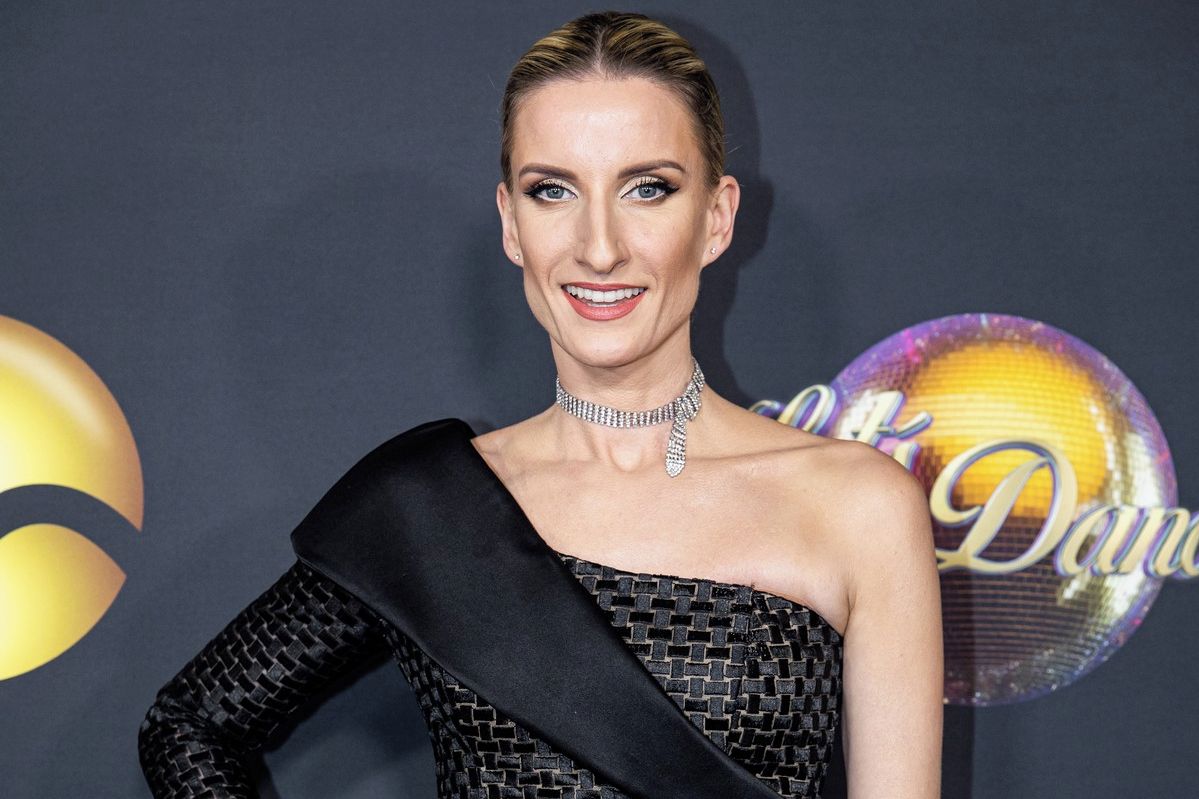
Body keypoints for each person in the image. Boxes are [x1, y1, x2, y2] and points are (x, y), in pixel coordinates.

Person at [137, 10, 943, 798]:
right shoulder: (428, 510)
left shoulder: (857, 506)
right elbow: (189, 725)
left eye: (647, 189)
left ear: (716, 218)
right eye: (552, 190)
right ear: (511, 223)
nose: (599, 247)